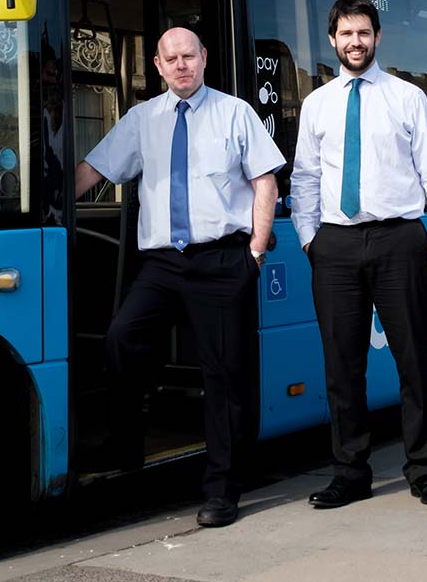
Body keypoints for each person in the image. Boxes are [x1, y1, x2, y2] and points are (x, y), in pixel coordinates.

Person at [75, 26, 284, 528]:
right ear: (158, 64)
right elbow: (94, 172)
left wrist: (254, 253)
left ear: (204, 57)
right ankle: (126, 448)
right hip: (164, 263)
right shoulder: (142, 119)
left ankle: (222, 490)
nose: (182, 64)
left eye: (189, 55)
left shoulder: (235, 112)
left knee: (223, 376)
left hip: (220, 261)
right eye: (172, 58)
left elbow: (265, 182)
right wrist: (38, 200)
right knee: (123, 337)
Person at [290, 0, 427, 509]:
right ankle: (350, 473)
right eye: (346, 34)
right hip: (336, 244)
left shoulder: (407, 97)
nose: (355, 42)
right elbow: (305, 178)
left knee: (414, 360)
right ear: (332, 40)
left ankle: (423, 469)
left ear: (377, 37)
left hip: (400, 240)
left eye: (363, 33)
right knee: (341, 367)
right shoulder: (318, 103)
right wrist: (310, 240)